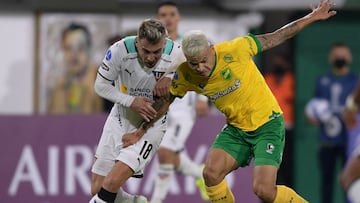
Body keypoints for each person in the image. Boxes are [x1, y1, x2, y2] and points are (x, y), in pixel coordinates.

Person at [122, 1, 336, 202]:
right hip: (236, 130)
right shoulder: (187, 74)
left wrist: (312, 16)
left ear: (212, 49)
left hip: (267, 124)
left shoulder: (237, 49)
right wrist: (141, 131)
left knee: (263, 190)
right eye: (194, 64)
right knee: (210, 174)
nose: (200, 69)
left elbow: (277, 36)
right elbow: (165, 102)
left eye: (203, 61)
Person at [88, 18, 185, 203]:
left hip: (152, 125)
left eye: (157, 52)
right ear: (137, 41)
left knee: (112, 182)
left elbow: (198, 72)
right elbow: (100, 86)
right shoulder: (119, 49)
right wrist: (131, 102)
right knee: (97, 187)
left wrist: (173, 76)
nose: (150, 57)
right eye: (145, 51)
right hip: (120, 118)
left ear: (165, 43)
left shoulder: (177, 54)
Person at [150, 2, 210, 203]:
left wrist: (203, 98)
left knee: (165, 153)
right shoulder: (153, 48)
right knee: (169, 154)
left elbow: (203, 70)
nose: (167, 18)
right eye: (163, 14)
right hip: (160, 107)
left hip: (184, 108)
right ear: (157, 18)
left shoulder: (188, 45)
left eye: (171, 14)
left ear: (178, 18)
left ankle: (156, 200)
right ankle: (200, 175)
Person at [305, 42, 358, 203]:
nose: (340, 58)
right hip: (327, 141)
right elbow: (313, 108)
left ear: (349, 57)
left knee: (350, 181)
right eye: (336, 55)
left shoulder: (356, 80)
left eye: (343, 55)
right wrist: (312, 116)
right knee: (326, 183)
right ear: (330, 58)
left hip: (349, 141)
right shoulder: (322, 80)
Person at [48, 23, 103, 113]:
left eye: (80, 48)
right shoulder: (60, 86)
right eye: (68, 48)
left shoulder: (104, 82)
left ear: (89, 50)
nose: (74, 55)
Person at [264, 53, 295, 187]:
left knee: (287, 162)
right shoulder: (267, 79)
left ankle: (287, 191)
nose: (278, 65)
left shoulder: (291, 79)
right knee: (271, 162)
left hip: (287, 127)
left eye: (281, 62)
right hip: (269, 127)